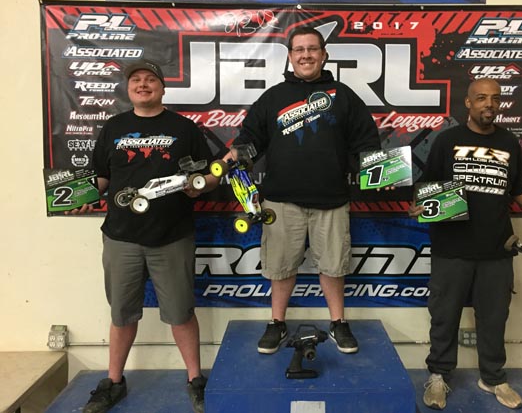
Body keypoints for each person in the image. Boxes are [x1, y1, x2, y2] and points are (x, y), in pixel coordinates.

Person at [70, 59, 219, 413]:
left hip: (173, 236)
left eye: (150, 79)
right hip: (121, 237)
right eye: (136, 79)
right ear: (128, 88)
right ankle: (114, 382)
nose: (142, 84)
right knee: (122, 315)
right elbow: (101, 176)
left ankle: (195, 379)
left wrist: (200, 185)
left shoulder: (184, 128)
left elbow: (211, 174)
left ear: (162, 87)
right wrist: (80, 196)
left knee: (181, 313)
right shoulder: (114, 127)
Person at [229, 26, 380, 354]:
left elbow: (366, 143)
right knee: (280, 267)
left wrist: (379, 171)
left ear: (324, 54)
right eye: (299, 49)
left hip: (332, 200)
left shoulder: (344, 96)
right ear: (290, 56)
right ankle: (277, 322)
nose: (306, 55)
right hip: (281, 201)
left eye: (312, 49)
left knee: (334, 266)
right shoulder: (273, 98)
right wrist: (233, 157)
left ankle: (338, 322)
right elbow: (249, 139)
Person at [409, 78, 522, 410]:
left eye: (495, 99)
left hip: (498, 248)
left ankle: (493, 377)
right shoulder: (447, 140)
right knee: (444, 316)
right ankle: (439, 375)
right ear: (468, 103)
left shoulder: (509, 143)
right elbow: (426, 187)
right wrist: (420, 206)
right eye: (481, 98)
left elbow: (519, 189)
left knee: (494, 318)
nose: (489, 104)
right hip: (451, 247)